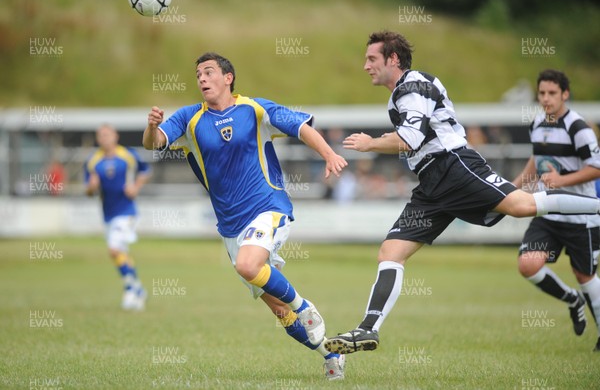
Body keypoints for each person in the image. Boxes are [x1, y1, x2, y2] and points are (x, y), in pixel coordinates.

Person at [324, 31, 600, 355]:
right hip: (431, 185)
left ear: (393, 59)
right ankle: (367, 330)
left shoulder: (414, 85)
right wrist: (388, 139)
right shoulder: (401, 93)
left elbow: (411, 138)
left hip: (454, 167)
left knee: (523, 206)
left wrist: (371, 143)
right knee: (390, 252)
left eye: (372, 59)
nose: (365, 65)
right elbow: (412, 138)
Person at [142, 52, 348, 380]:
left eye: (209, 72)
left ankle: (305, 307)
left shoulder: (254, 108)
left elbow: (300, 126)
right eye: (197, 75)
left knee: (250, 268)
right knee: (278, 309)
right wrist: (152, 126)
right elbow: (155, 144)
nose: (202, 79)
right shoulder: (189, 119)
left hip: (267, 207)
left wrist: (329, 153)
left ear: (228, 78)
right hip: (230, 228)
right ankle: (330, 354)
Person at [513, 69, 600, 351]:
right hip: (547, 212)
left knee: (584, 276)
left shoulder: (578, 128)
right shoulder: (537, 122)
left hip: (580, 217)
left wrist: (561, 180)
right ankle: (572, 300)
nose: (546, 99)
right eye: (542, 93)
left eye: (552, 93)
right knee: (528, 264)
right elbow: (535, 158)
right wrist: (513, 188)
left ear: (565, 94)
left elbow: (596, 169)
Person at [85, 124, 151, 311]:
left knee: (114, 250)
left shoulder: (128, 156)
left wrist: (136, 187)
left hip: (127, 211)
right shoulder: (93, 161)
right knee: (120, 252)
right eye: (100, 135)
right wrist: (91, 186)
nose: (104, 138)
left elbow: (145, 171)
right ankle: (138, 287)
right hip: (108, 214)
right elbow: (88, 190)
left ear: (115, 136)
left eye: (107, 134)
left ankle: (131, 290)